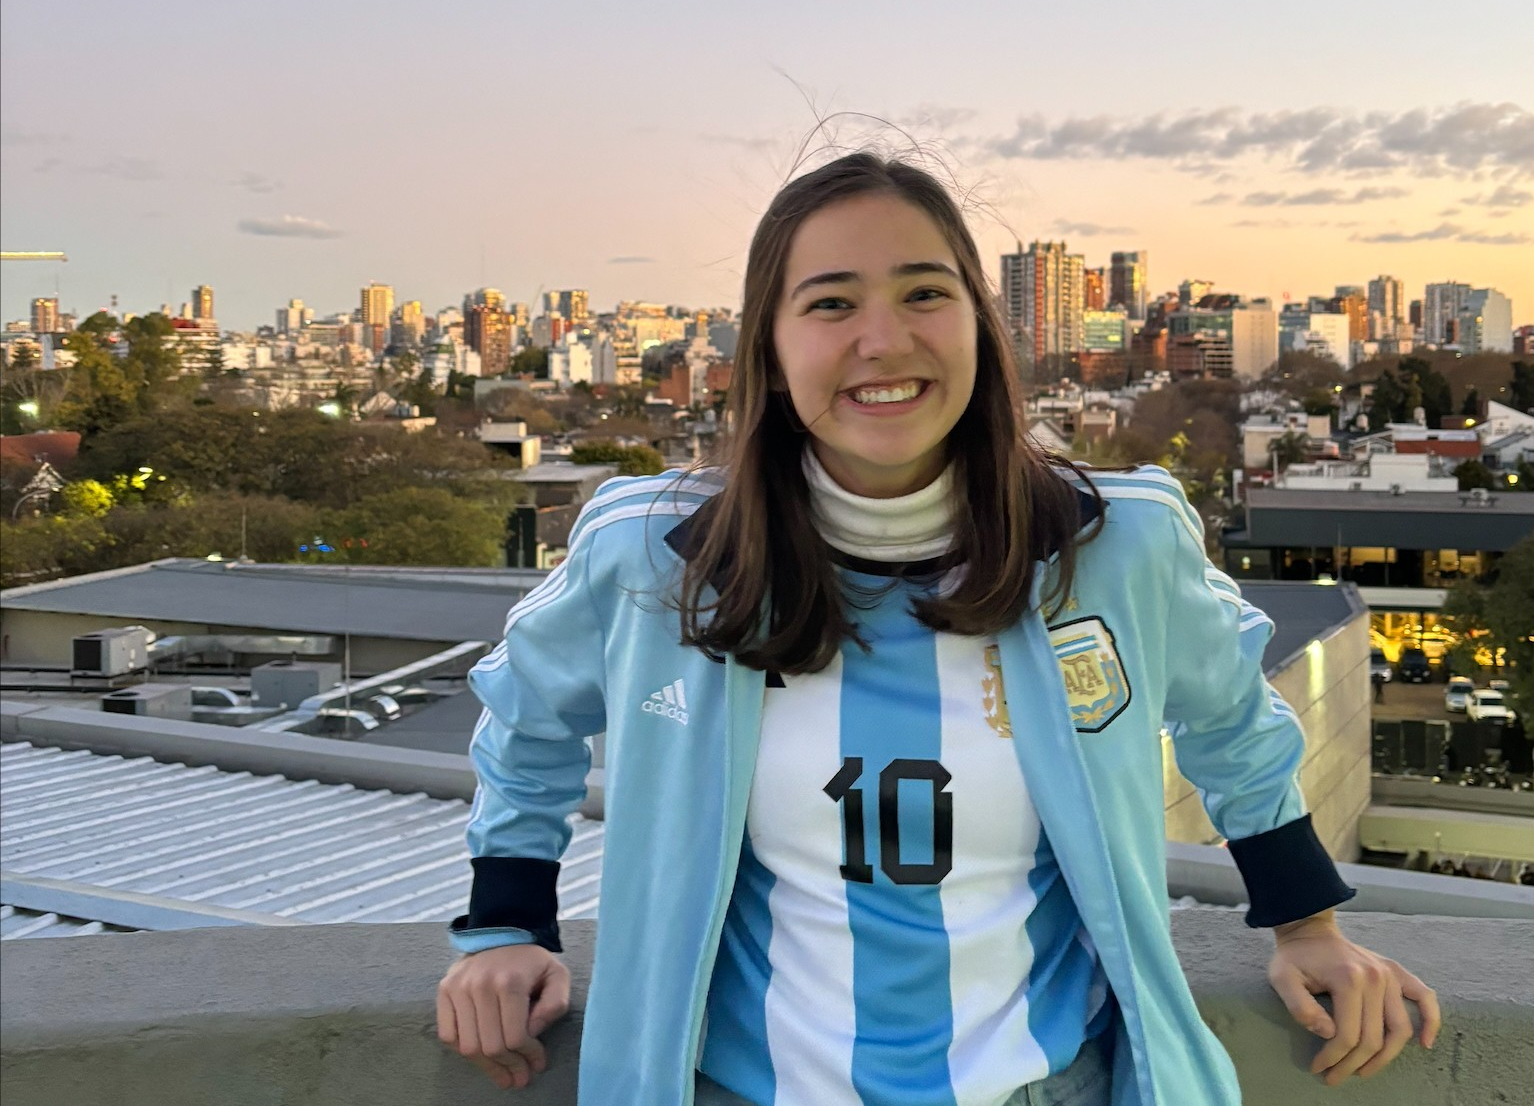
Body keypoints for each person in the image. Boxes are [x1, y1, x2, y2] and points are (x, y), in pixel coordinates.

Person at [434, 151, 1441, 1105]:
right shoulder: (656, 554)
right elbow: (526, 715)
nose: (884, 339)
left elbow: (1231, 720)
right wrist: (507, 922)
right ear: (771, 354)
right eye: (830, 303)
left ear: (979, 325)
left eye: (924, 292)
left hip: (1043, 1082)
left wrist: (1305, 920)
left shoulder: (1113, 544)